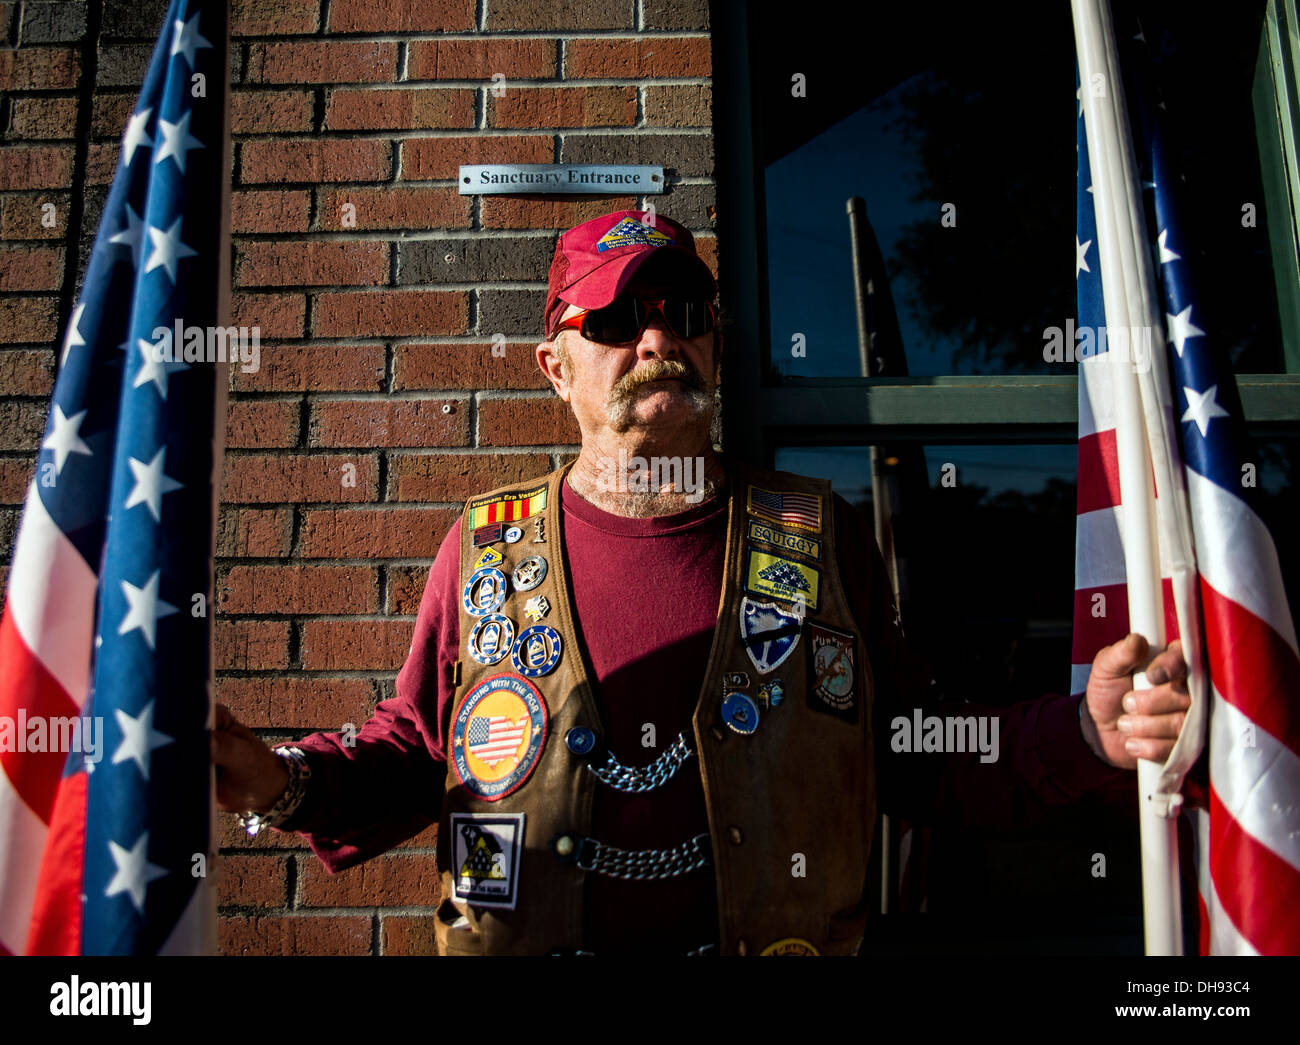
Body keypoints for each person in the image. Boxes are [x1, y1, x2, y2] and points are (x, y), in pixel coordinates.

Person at [212, 209, 1192, 956]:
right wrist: (281, 780)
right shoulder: (484, 549)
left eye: (685, 314)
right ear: (556, 365)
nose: (657, 340)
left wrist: (1078, 733)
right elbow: (420, 751)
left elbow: (909, 748)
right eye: (618, 318)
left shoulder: (816, 537)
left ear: (714, 345)